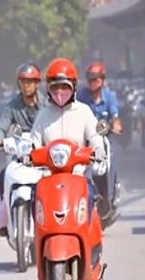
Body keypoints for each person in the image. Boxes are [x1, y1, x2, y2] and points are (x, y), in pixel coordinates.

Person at [30, 58, 105, 209]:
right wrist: (27, 153)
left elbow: (95, 138)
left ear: (74, 87)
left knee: (91, 202)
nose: (60, 92)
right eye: (55, 87)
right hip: (48, 179)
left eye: (65, 87)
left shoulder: (84, 112)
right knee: (33, 199)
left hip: (79, 177)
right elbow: (33, 143)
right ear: (48, 89)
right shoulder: (43, 115)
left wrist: (98, 149)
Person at [0, 64, 48, 235]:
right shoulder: (12, 106)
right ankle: (6, 218)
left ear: (37, 84)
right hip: (20, 156)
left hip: (41, 157)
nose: (26, 85)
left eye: (30, 82)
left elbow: (54, 124)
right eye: (23, 82)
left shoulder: (47, 105)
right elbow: (3, 126)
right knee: (4, 174)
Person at [76, 62, 121, 199]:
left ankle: (110, 194)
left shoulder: (110, 97)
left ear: (102, 79)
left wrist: (115, 126)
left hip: (104, 140)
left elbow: (115, 118)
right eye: (90, 79)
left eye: (95, 79)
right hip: (84, 143)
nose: (92, 83)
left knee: (110, 159)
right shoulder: (80, 97)